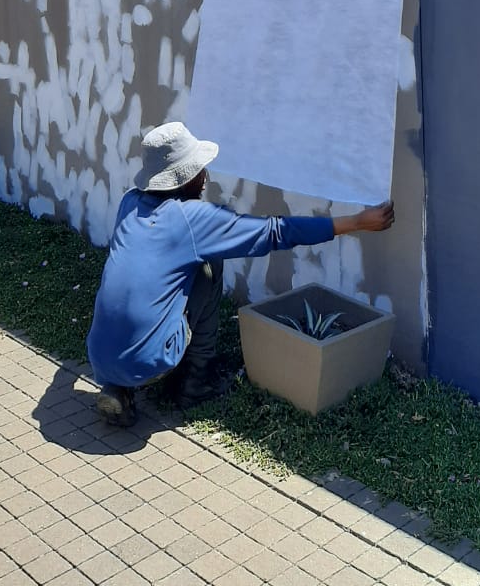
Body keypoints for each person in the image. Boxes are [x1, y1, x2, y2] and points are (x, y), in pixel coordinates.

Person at [86, 121, 396, 425]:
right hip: (149, 359)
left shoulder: (130, 202)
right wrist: (355, 222)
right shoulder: (192, 220)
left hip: (99, 354)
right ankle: (196, 383)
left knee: (157, 281)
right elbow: (275, 232)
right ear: (183, 178)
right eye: (198, 170)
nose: (205, 177)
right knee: (209, 266)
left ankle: (118, 388)